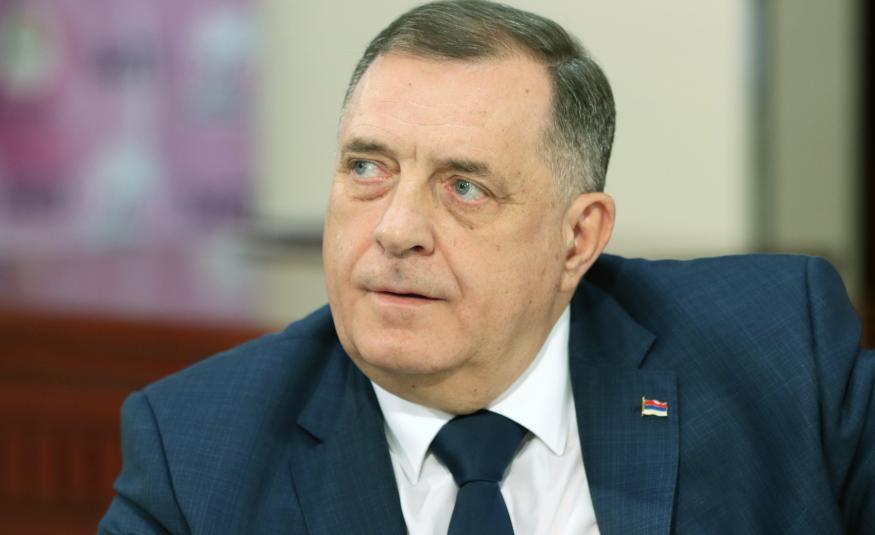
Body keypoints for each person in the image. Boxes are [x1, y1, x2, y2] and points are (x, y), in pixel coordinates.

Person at [99, 1, 874, 534]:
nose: (396, 230)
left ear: (577, 239)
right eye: (367, 168)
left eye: (463, 186)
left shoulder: (780, 354)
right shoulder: (198, 453)